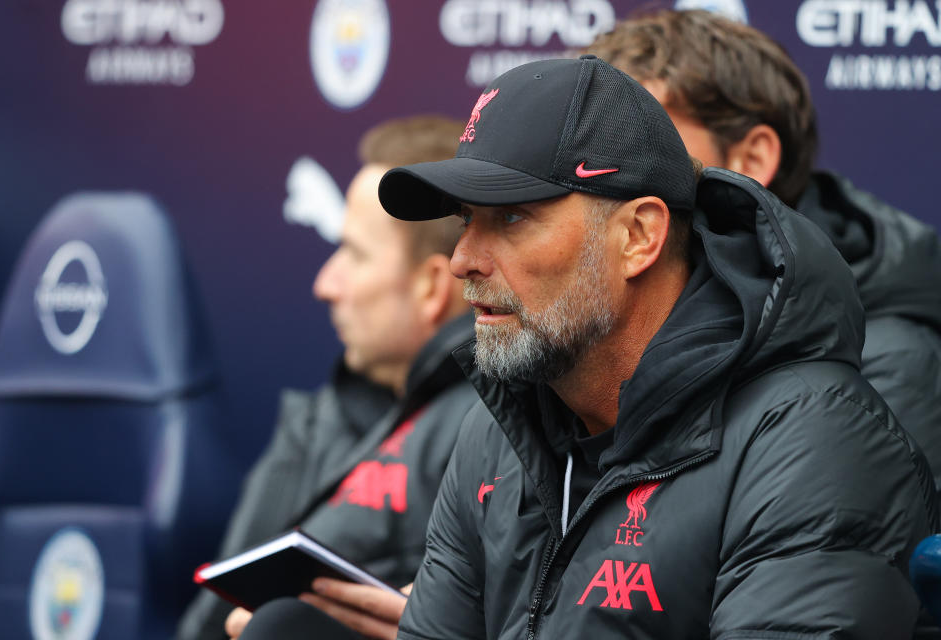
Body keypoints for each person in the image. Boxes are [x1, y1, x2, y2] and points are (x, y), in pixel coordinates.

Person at [376, 56, 936, 638]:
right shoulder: (496, 432)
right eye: (467, 219)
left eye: (512, 217)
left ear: (639, 237)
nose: (463, 259)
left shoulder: (814, 441)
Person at [583, 9, 941, 487]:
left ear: (751, 159)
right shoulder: (588, 319)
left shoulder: (885, 363)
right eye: (591, 147)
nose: (602, 173)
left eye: (641, 139)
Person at [175, 115, 475, 640]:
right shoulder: (318, 419)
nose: (324, 283)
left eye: (354, 255)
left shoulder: (496, 432)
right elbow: (210, 620)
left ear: (431, 287)